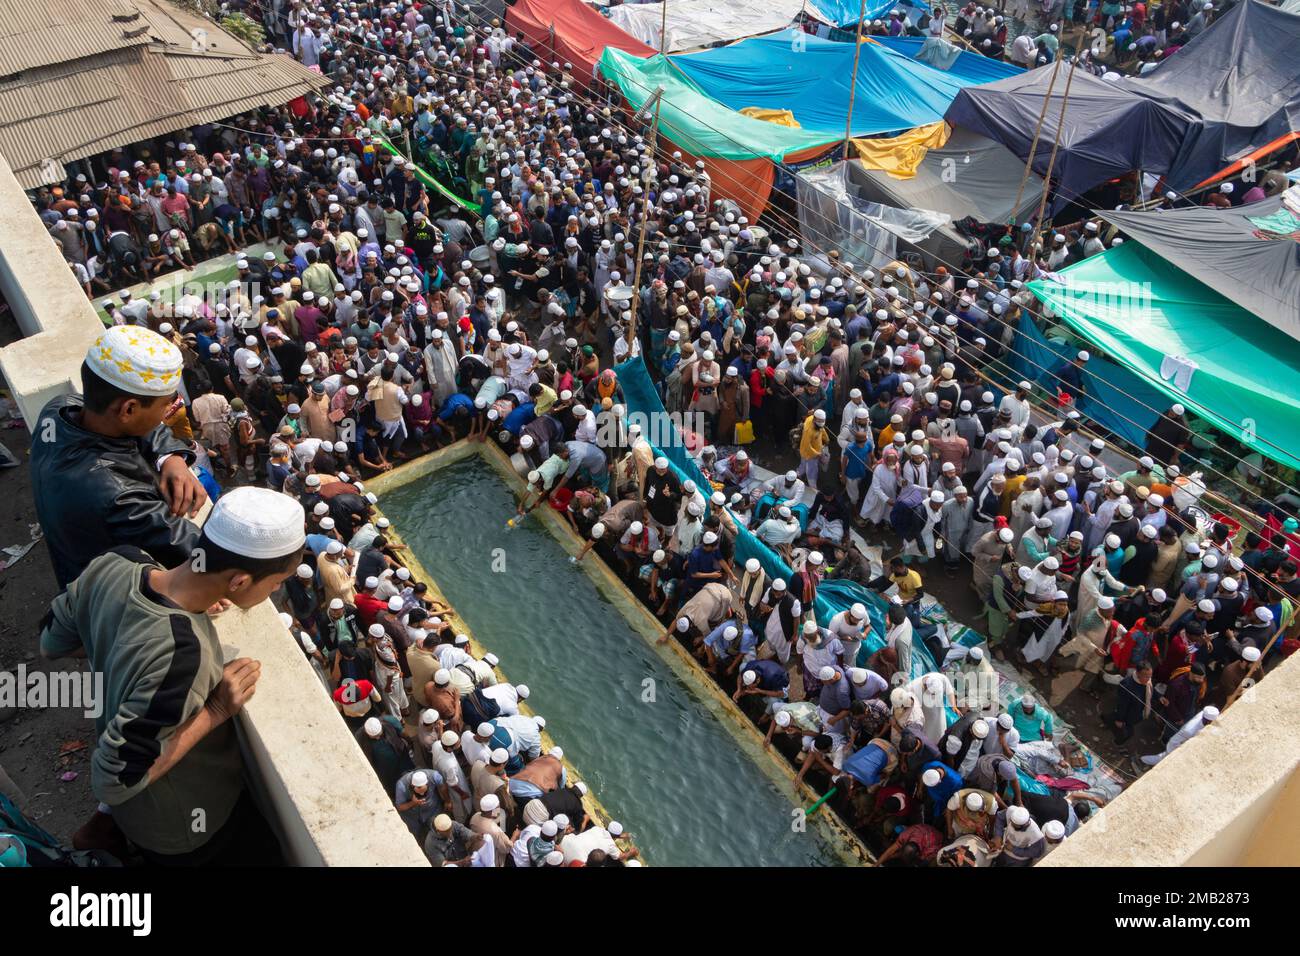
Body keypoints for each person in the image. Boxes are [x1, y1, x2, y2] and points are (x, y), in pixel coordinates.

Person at [40, 486, 305, 864]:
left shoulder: (117, 563)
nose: (277, 589)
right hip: (186, 828)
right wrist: (215, 709)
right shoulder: (183, 655)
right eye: (277, 582)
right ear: (239, 582)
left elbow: (52, 643)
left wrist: (124, 640)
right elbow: (114, 782)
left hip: (145, 818)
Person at [32, 326, 208, 589]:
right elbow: (202, 556)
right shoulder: (117, 498)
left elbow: (134, 424)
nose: (165, 416)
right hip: (100, 598)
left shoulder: (57, 410)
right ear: (128, 408)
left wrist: (170, 457)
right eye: (165, 406)